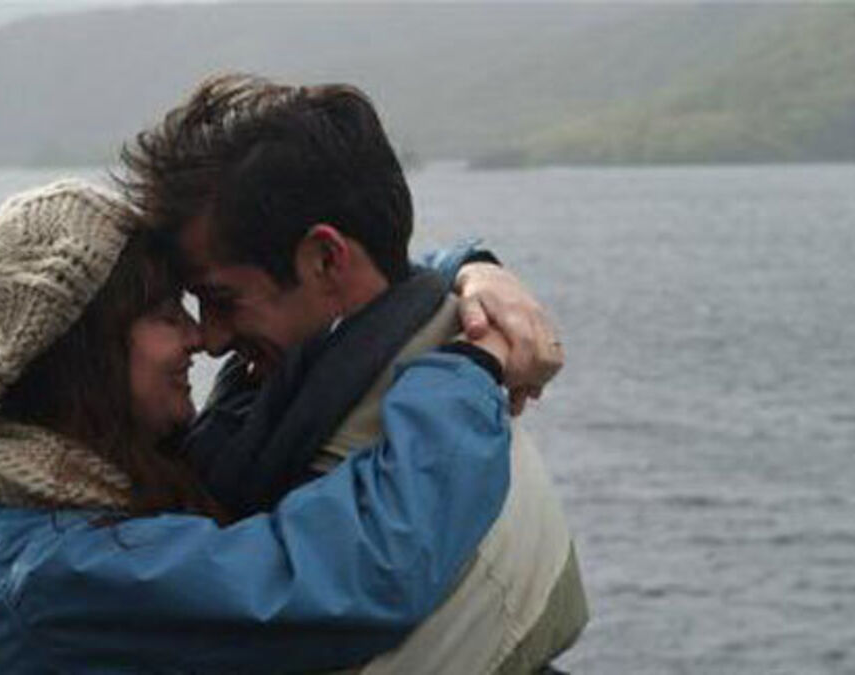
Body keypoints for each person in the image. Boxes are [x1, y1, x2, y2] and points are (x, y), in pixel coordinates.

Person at [0, 179, 515, 673]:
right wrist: (472, 366)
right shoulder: (67, 574)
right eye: (165, 315)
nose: (199, 338)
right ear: (84, 356)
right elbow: (359, 573)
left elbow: (347, 294)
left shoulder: (87, 491)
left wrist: (472, 274)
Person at [119, 73, 587, 671]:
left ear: (325, 259)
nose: (209, 340)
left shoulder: (370, 459)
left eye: (222, 299)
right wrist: (470, 264)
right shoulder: (432, 354)